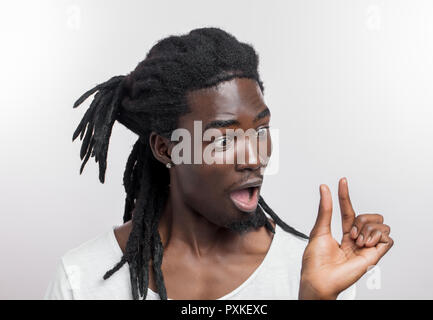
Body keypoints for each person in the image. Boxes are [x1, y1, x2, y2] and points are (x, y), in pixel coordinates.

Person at [45, 27, 393, 300]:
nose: (255, 158)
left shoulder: (309, 270)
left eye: (261, 130)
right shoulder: (82, 279)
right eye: (223, 140)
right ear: (167, 149)